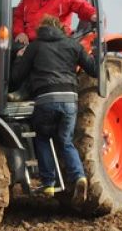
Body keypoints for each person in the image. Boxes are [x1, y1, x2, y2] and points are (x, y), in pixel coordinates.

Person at [10, 16, 98, 199]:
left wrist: (18, 59)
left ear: (41, 30)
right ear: (61, 28)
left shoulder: (35, 46)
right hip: (69, 99)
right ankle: (79, 176)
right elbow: (93, 70)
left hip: (46, 99)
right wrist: (98, 54)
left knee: (42, 138)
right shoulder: (72, 45)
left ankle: (48, 183)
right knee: (66, 141)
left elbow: (17, 77)